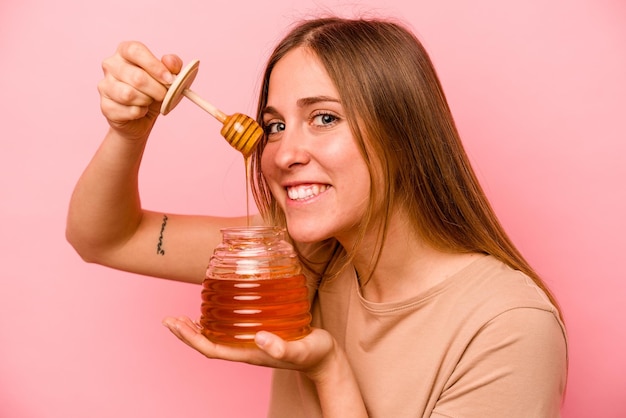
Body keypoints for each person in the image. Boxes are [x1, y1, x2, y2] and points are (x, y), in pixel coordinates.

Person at [66, 16, 568, 417]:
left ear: (403, 132)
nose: (283, 154)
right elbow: (106, 238)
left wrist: (331, 370)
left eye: (324, 118)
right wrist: (128, 133)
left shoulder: (508, 328)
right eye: (275, 125)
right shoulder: (295, 254)